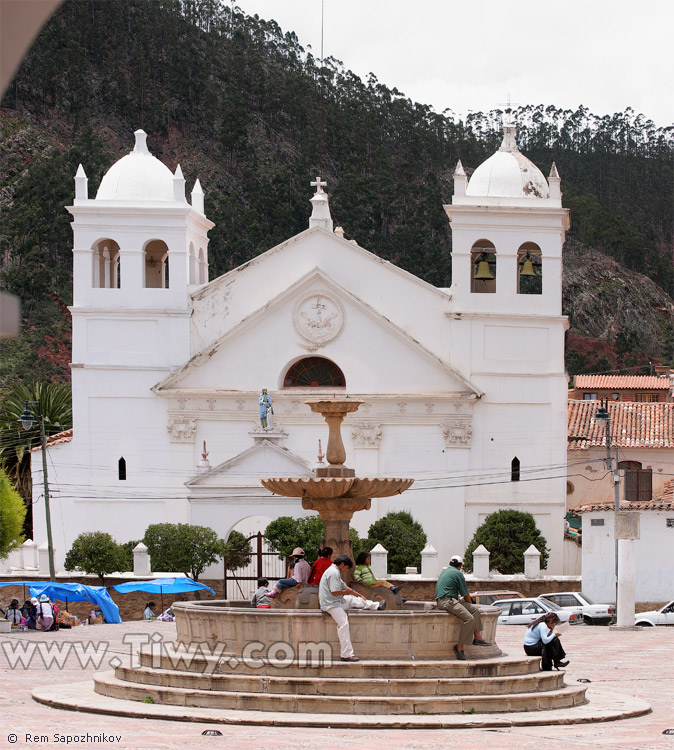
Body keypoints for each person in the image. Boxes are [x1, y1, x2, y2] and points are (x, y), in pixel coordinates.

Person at [318, 554, 385, 662]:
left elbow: (345, 587)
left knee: (352, 599)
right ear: (342, 564)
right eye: (346, 568)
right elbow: (334, 591)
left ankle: (376, 605)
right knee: (344, 623)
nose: (345, 571)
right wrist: (348, 592)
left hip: (336, 601)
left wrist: (358, 594)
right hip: (331, 604)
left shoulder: (334, 571)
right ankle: (346, 654)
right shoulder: (333, 572)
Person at [435, 554, 491, 660]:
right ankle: (459, 647)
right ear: (460, 566)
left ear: (450, 564)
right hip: (448, 601)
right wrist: (470, 604)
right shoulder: (458, 574)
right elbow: (465, 594)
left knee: (474, 610)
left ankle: (478, 638)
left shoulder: (445, 571)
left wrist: (471, 606)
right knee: (469, 619)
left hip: (446, 600)